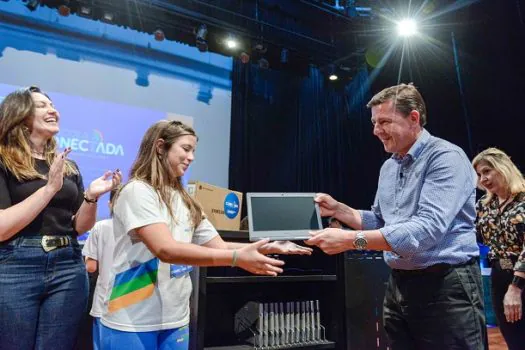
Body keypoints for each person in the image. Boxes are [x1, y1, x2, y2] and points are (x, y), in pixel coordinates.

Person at [100, 120, 312, 350]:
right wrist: (237, 259)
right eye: (186, 148)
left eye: (193, 151)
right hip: (133, 319)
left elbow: (218, 247)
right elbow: (166, 249)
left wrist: (267, 247)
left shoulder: (186, 201)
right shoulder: (137, 191)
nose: (191, 157)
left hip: (176, 318)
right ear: (161, 147)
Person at [305, 83, 486, 349]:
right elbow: (382, 221)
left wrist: (351, 240)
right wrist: (339, 210)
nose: (376, 131)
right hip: (398, 284)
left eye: (385, 121)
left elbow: (426, 230)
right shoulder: (389, 167)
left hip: (447, 285)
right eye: (374, 122)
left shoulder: (446, 158)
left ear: (414, 118)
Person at [0, 86, 122, 350]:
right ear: (20, 114)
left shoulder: (67, 165)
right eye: (42, 105)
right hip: (14, 266)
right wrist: (48, 189)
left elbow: (79, 226)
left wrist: (90, 197)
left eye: (52, 104)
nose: (53, 110)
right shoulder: (3, 160)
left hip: (68, 265)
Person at [473, 147, 525, 350]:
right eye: (479, 174)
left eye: (487, 171)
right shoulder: (484, 206)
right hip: (499, 276)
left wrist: (516, 286)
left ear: (503, 167)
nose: (483, 179)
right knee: (514, 339)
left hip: (520, 277)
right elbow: (470, 235)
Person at [82, 186, 121, 350]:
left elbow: (91, 267)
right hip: (132, 304)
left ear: (110, 204)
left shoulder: (100, 227)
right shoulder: (143, 231)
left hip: (103, 303)